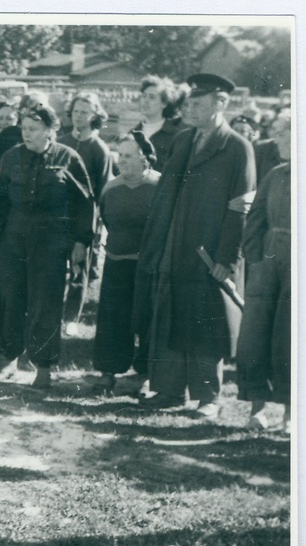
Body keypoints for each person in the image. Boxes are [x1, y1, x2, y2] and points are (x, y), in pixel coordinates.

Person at [137, 73, 255, 420]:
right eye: (188, 103)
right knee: (169, 314)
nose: (190, 109)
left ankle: (208, 398)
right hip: (174, 243)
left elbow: (240, 207)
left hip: (209, 252)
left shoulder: (236, 147)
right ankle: (170, 390)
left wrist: (227, 258)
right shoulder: (184, 140)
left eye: (198, 103)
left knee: (206, 322)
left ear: (221, 104)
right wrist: (158, 243)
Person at [0, 103, 95, 389]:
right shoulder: (11, 157)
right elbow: (1, 201)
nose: (26, 134)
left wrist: (82, 241)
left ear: (51, 130)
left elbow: (84, 205)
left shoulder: (68, 158)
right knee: (10, 300)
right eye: (23, 128)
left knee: (45, 304)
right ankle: (9, 360)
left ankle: (43, 367)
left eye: (32, 129)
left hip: (51, 241)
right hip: (13, 238)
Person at [91, 132, 160, 391]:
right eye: (120, 155)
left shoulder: (159, 187)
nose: (122, 161)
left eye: (129, 156)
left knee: (147, 319)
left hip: (148, 266)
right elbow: (106, 221)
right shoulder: (112, 188)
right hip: (117, 262)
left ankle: (145, 375)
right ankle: (108, 371)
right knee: (113, 317)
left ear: (145, 159)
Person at [236, 109, 291, 432]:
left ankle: (290, 414)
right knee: (256, 333)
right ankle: (257, 408)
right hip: (267, 265)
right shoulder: (274, 175)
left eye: (283, 134)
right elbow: (255, 221)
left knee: (291, 336)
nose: (278, 140)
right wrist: (255, 261)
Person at [58, 91, 116, 327]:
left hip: (84, 216)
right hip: (59, 212)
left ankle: (71, 317)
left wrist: (97, 222)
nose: (79, 116)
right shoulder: (61, 141)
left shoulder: (99, 148)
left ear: (94, 115)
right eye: (76, 111)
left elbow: (103, 189)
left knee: (79, 267)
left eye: (85, 112)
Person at [133, 76, 185, 172]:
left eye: (152, 97)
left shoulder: (176, 136)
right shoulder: (132, 134)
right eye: (144, 96)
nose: (146, 100)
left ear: (164, 103)